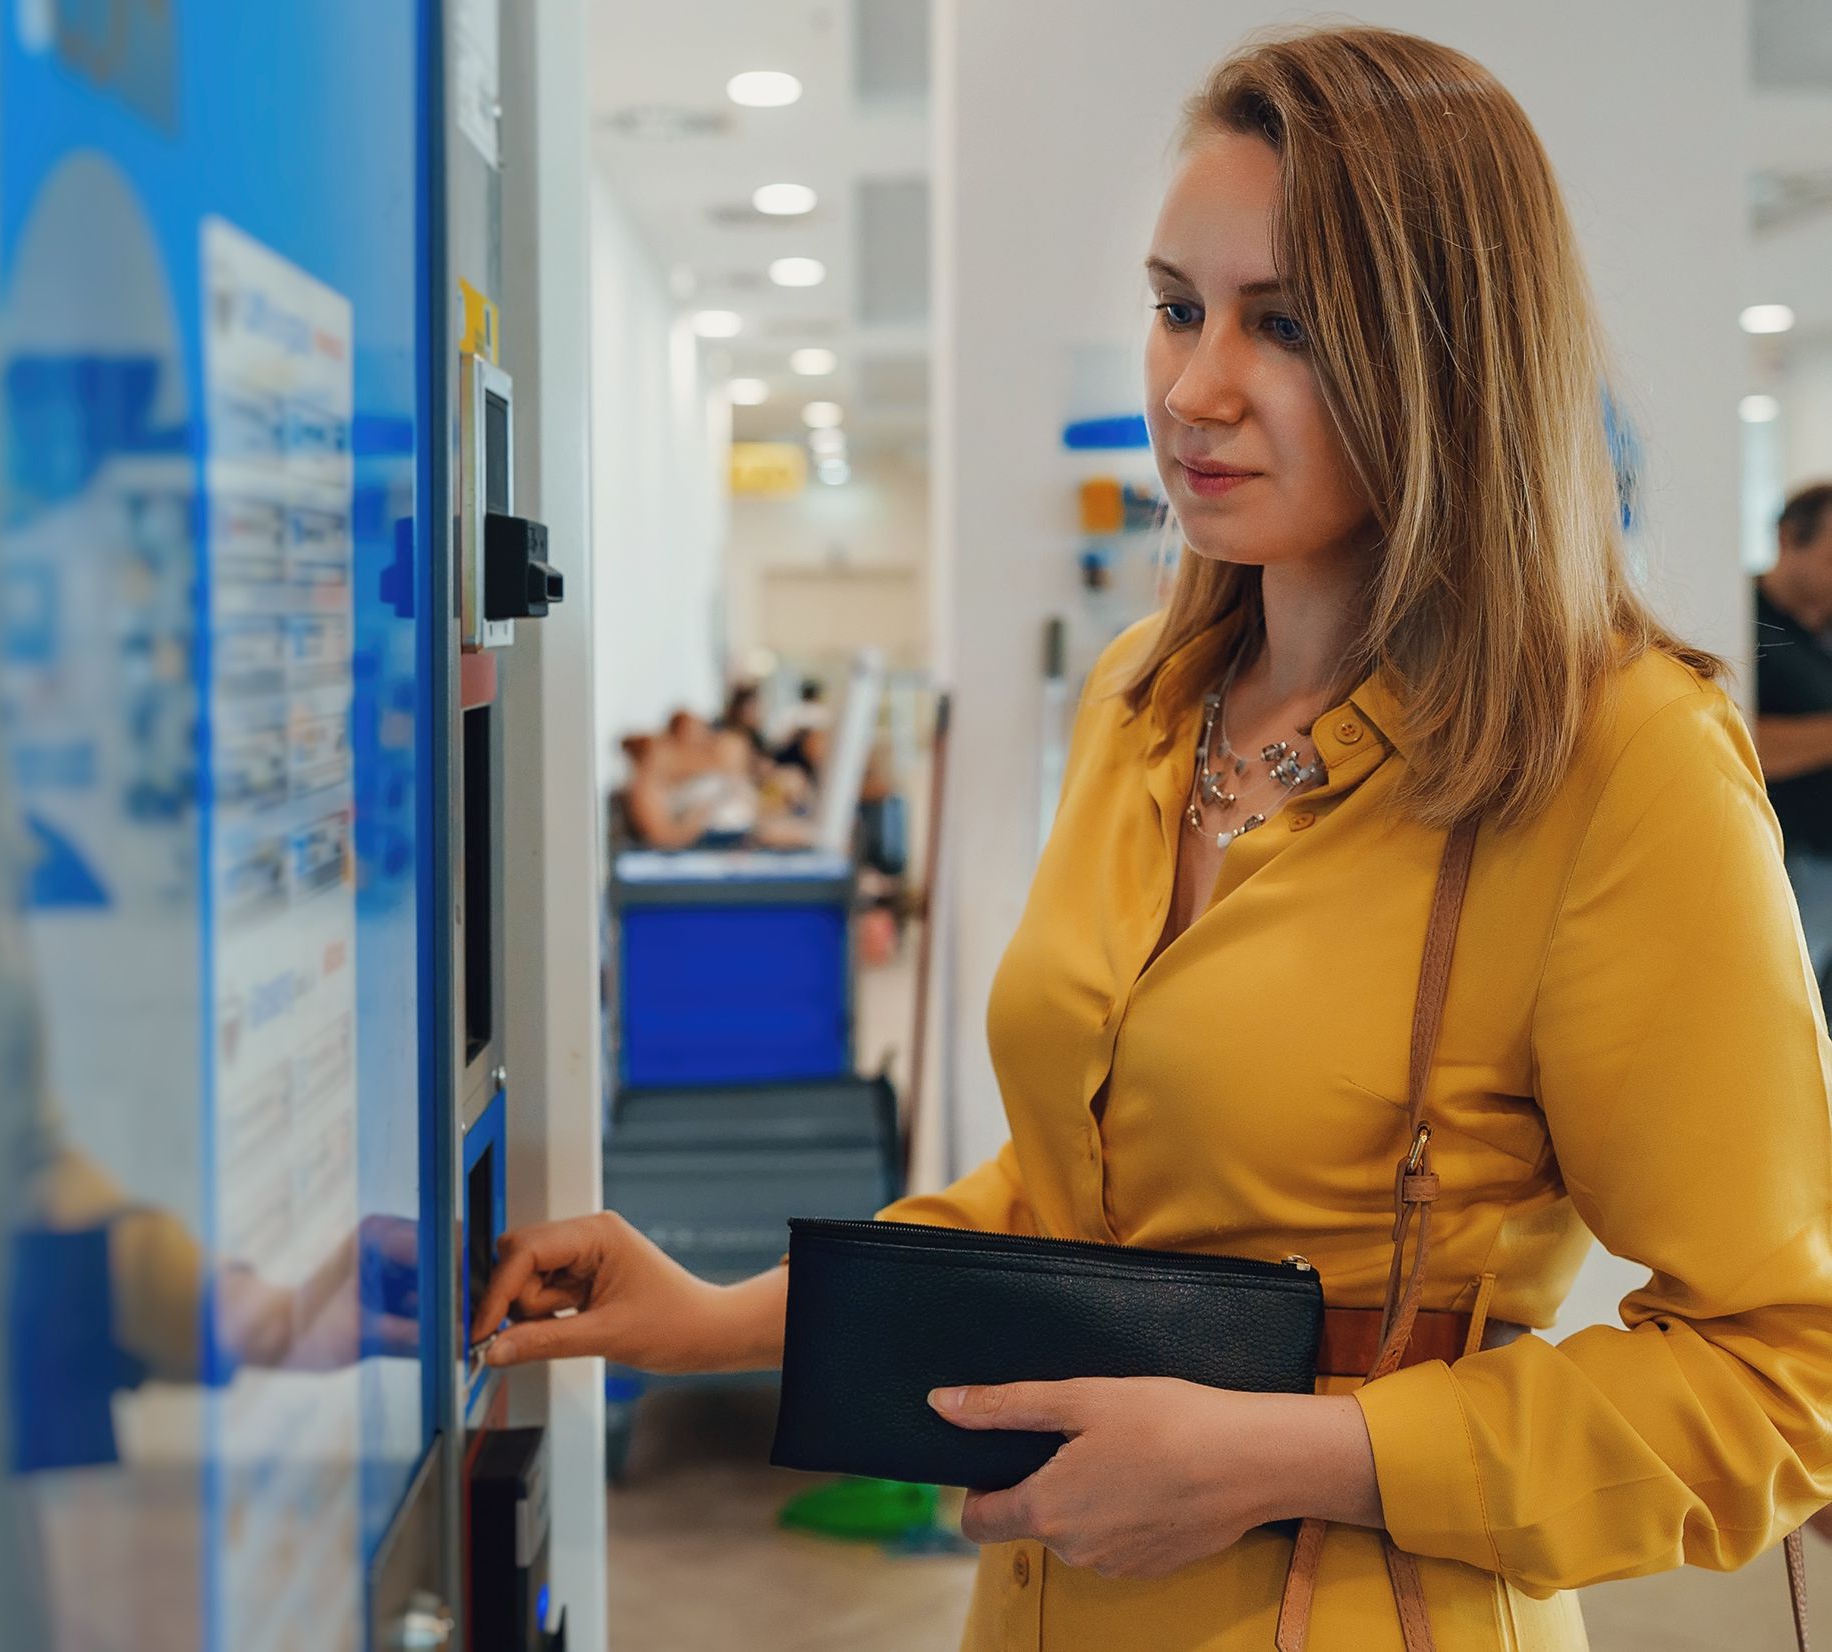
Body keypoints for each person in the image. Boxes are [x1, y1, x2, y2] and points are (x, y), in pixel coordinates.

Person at [474, 26, 1832, 1652]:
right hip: (1044, 1604)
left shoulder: (1613, 760)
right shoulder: (1143, 701)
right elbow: (1072, 1205)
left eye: (1286, 325)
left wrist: (1285, 1453)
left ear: (1445, 353)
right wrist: (714, 1319)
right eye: (1176, 306)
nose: (1192, 387)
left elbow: (1782, 1372)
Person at [1753, 481, 1832, 1003]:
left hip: (1821, 860)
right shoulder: (1741, 618)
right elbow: (1742, 740)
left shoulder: (1817, 630)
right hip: (1791, 860)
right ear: (1789, 538)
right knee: (1784, 999)